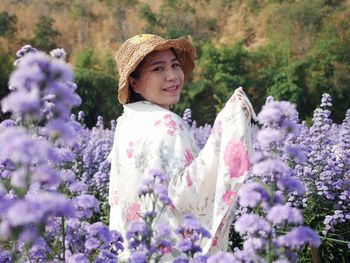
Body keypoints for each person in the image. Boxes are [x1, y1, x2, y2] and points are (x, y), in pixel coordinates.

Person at [108, 34, 256, 259]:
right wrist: (229, 126)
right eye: (158, 69)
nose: (172, 76)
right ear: (134, 82)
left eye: (175, 66)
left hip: (131, 250)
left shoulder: (126, 121)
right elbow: (187, 196)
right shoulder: (169, 123)